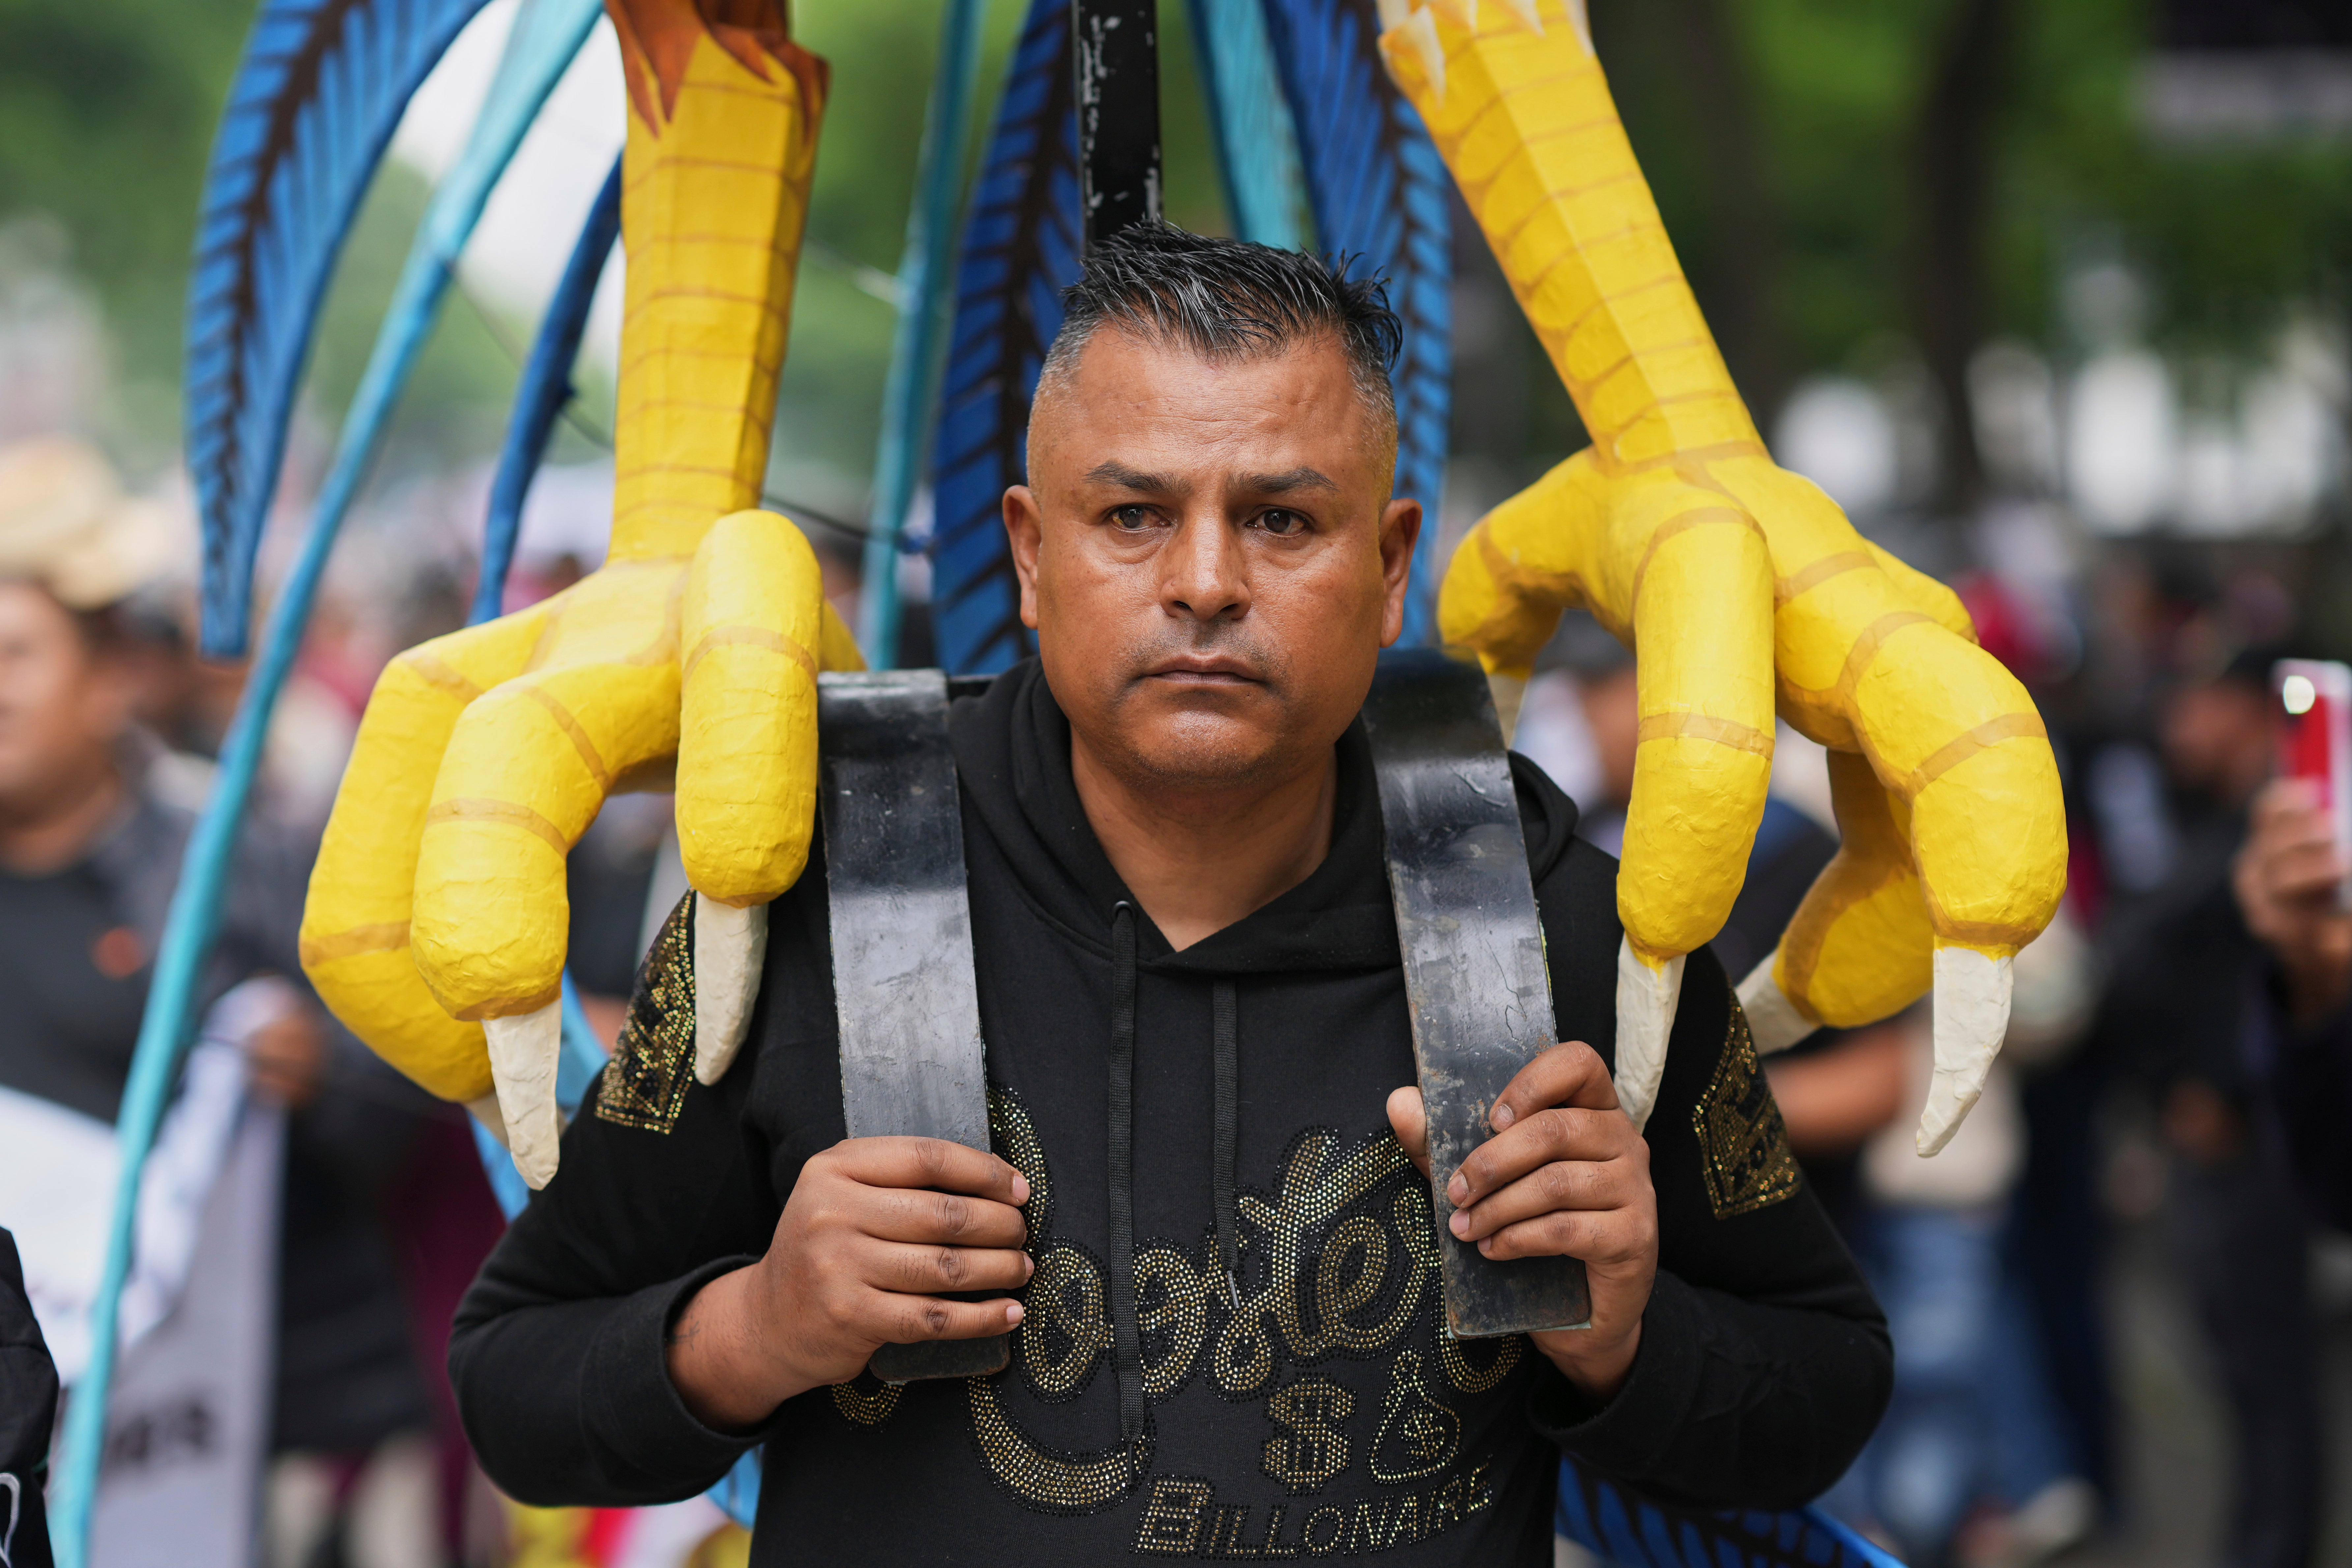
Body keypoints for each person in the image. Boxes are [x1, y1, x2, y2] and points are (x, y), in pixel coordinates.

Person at [449, 226, 1892, 1564]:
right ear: (1029, 551)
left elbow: (1820, 1391)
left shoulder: (1548, 918)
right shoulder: (811, 877)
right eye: (1133, 514)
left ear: (1393, 567)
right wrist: (757, 1326)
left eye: (1281, 519)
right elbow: (517, 1377)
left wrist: (1626, 1330)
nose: (1205, 581)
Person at [2092, 645, 2320, 1568]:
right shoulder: (2209, 814)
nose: (2176, 727)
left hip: (2248, 1139)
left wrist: (2220, 1089)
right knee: (2237, 1374)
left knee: (2268, 1376)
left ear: (2247, 709)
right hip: (2204, 1127)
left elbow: (2276, 980)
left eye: (2197, 704)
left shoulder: (2288, 830)